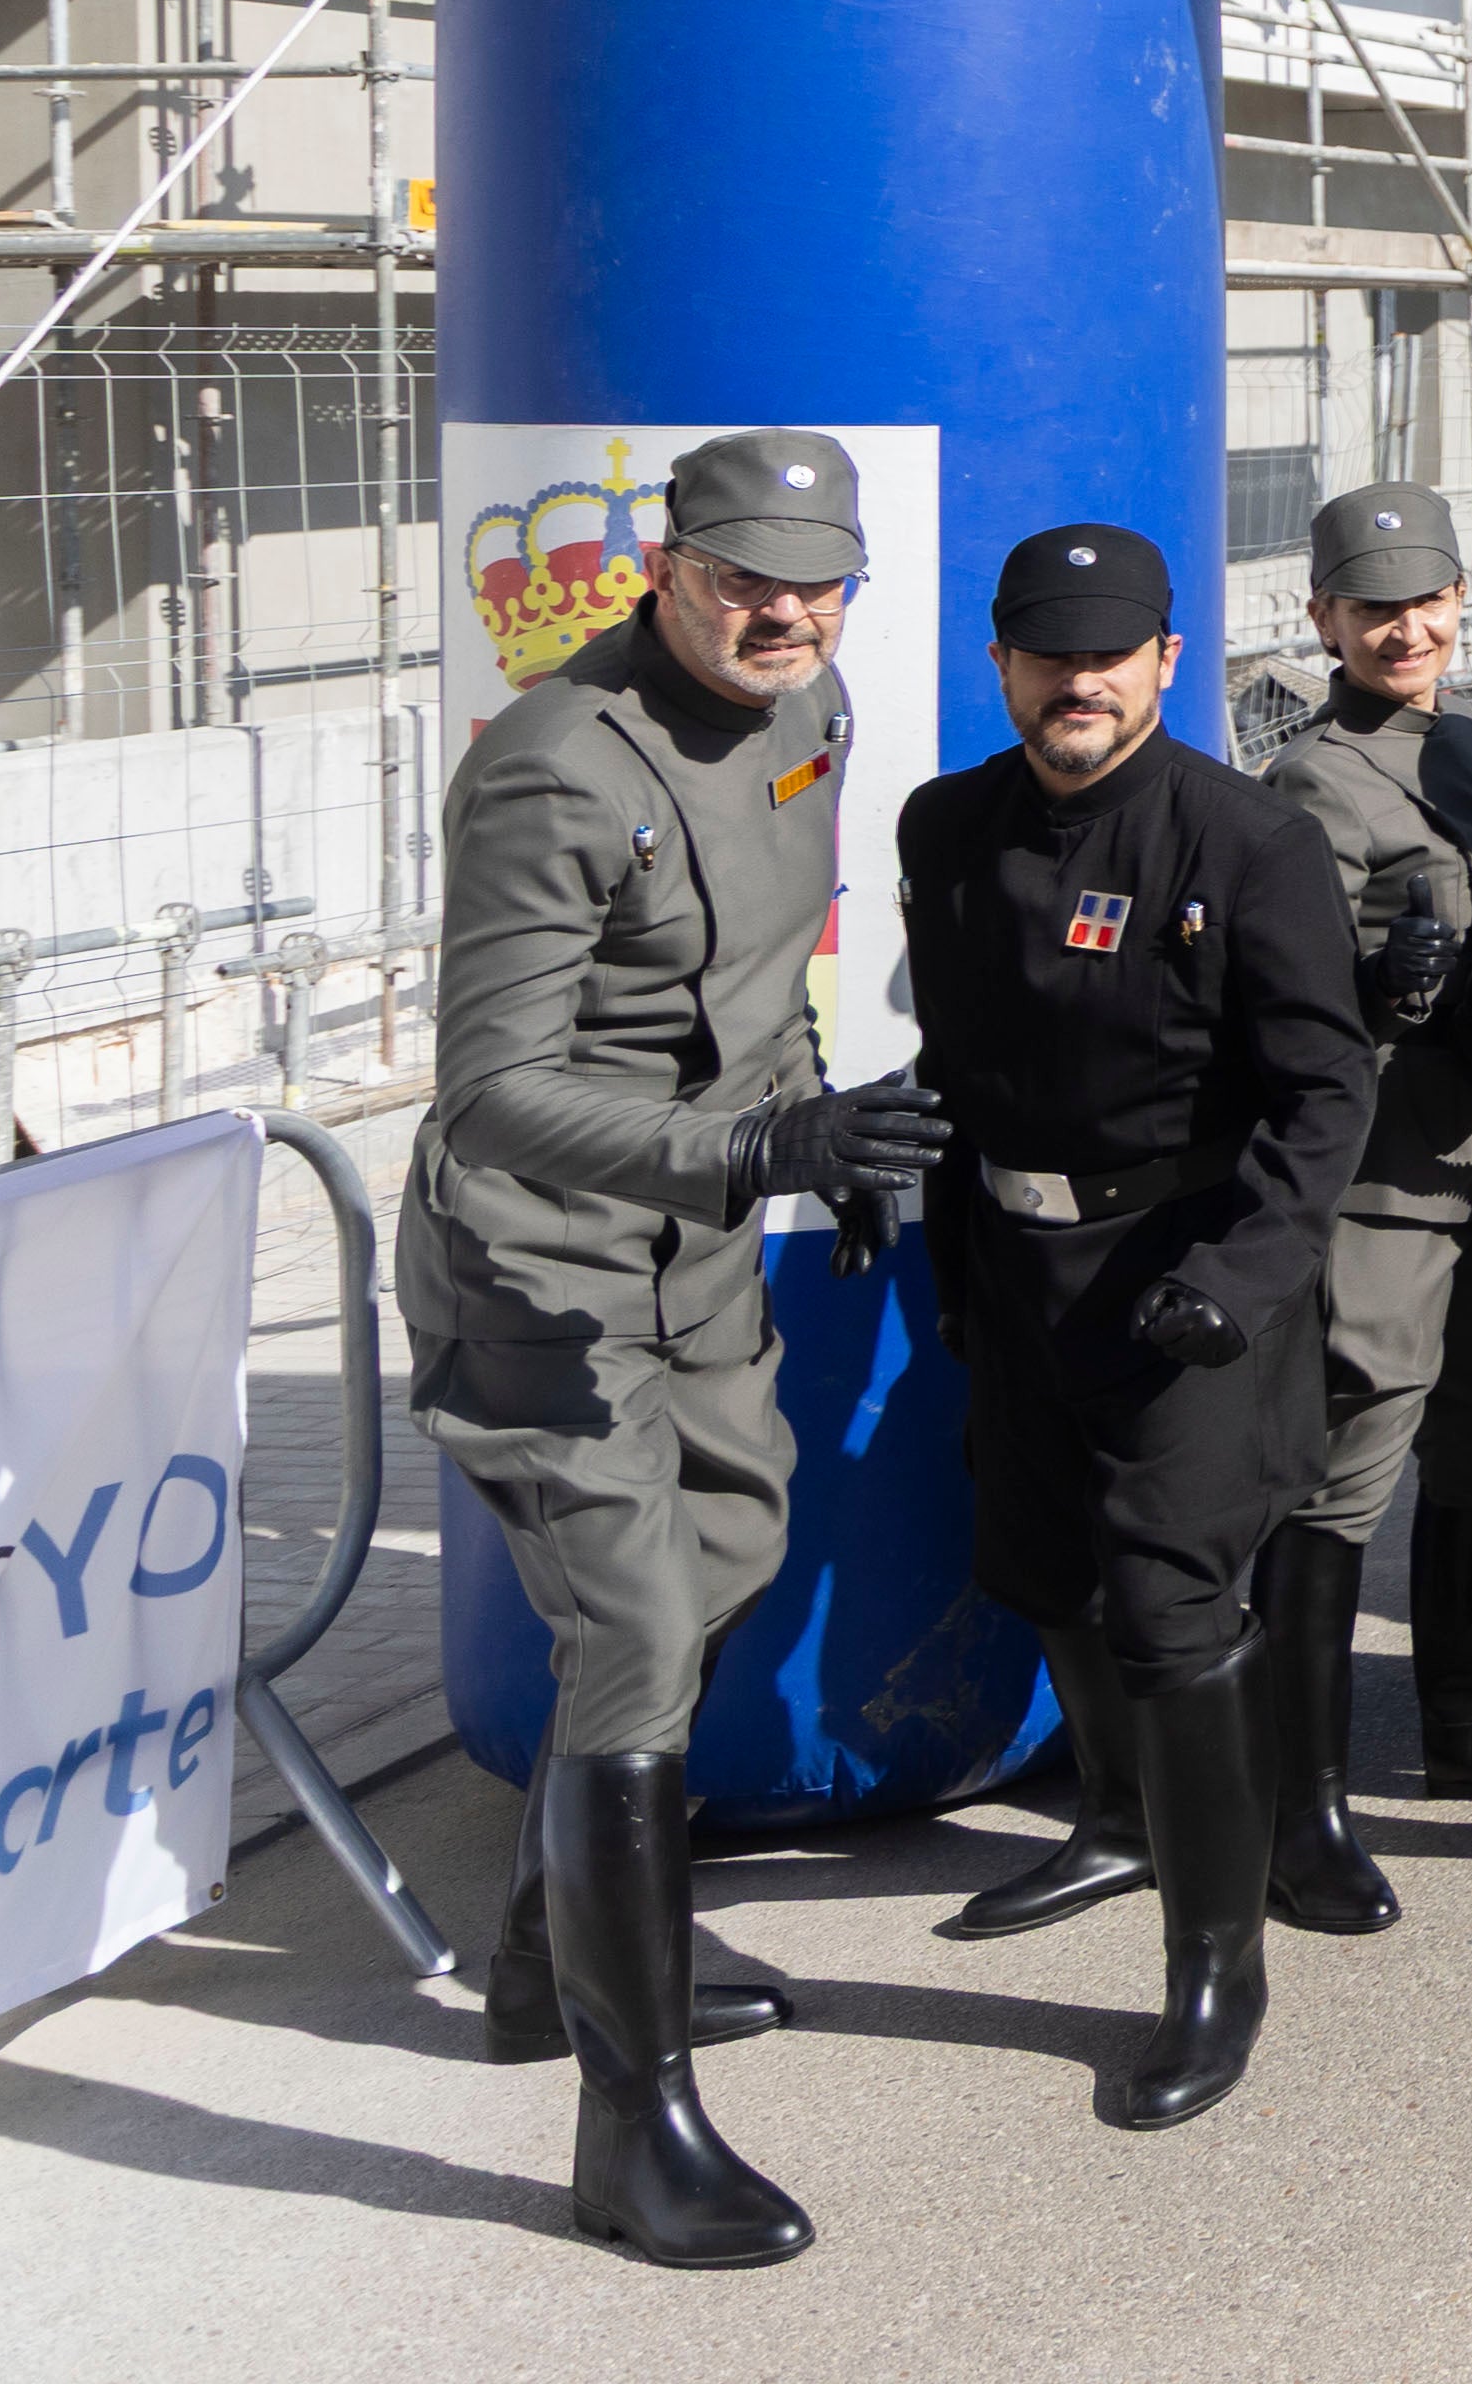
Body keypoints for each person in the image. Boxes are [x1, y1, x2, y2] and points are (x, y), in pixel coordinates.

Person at [407, 428, 933, 2270]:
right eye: (741, 580)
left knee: (733, 1550)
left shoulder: (816, 703)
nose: (783, 613)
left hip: (698, 1247)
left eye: (816, 583)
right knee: (629, 1621)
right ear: (668, 565)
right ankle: (633, 2130)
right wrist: (749, 1151)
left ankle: (555, 1960)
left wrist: (818, 1134)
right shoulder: (559, 767)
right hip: (542, 1266)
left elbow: (761, 968)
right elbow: (492, 1090)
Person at [897, 522, 1371, 2134]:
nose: (1077, 681)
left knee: (1173, 1611)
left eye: (1110, 655)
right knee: (1041, 1565)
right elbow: (967, 1055)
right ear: (1002, 664)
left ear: (1167, 662)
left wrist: (1245, 1272)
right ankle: (1111, 1821)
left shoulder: (1243, 842)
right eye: (1047, 654)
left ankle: (1217, 1968)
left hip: (1185, 1281)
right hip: (1015, 1267)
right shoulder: (947, 825)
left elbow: (1325, 1090)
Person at [1246, 483, 1472, 1947]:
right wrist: (1406, 976)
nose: (1408, 628)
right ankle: (1297, 1805)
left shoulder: (1465, 747)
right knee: (1345, 1469)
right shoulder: (1311, 780)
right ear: (1323, 620)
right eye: (1374, 608)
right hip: (1386, 1172)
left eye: (1429, 601)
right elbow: (1293, 998)